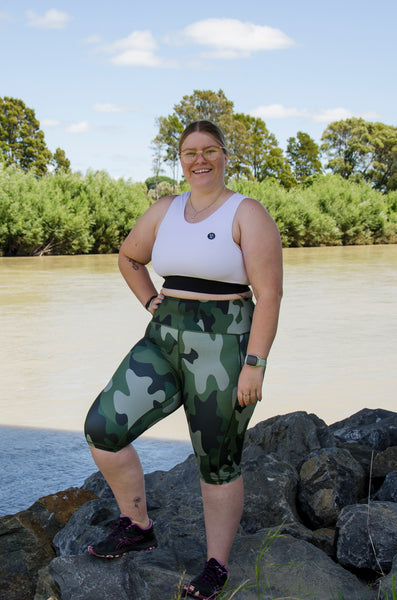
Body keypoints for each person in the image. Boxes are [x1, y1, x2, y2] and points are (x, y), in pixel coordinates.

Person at [84, 120, 283, 599]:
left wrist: (254, 362)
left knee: (217, 461)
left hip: (225, 346)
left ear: (224, 156)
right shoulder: (164, 211)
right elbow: (129, 257)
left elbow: (270, 293)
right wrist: (151, 301)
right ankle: (138, 526)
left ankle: (216, 565)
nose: (200, 160)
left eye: (209, 150)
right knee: (103, 429)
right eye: (190, 152)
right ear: (180, 159)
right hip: (163, 338)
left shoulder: (246, 212)